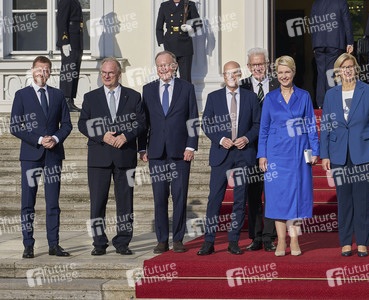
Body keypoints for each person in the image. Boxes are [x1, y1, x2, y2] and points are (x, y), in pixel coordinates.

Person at [320, 53, 369, 257]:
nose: (347, 70)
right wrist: (325, 154)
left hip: (364, 153)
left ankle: (363, 242)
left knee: (362, 200)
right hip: (339, 154)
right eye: (343, 67)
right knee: (344, 201)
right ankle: (346, 242)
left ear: (356, 69)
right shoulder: (331, 95)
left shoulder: (368, 91)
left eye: (350, 66)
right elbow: (325, 126)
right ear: (338, 71)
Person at [78, 57, 146, 256]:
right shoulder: (91, 97)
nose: (106, 76)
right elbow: (83, 124)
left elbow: (141, 123)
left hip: (125, 156)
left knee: (125, 202)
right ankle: (99, 243)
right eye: (103, 73)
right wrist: (102, 136)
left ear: (119, 75)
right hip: (99, 157)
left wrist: (126, 136)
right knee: (97, 202)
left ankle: (123, 241)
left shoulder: (133, 97)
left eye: (110, 73)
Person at [10, 56, 73, 258]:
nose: (42, 73)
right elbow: (14, 126)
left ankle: (53, 244)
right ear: (32, 70)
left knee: (53, 202)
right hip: (30, 155)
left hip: (53, 154)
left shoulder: (58, 95)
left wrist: (55, 138)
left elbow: (67, 125)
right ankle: (28, 244)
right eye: (39, 70)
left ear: (50, 72)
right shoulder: (22, 95)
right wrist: (38, 139)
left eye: (46, 70)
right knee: (28, 202)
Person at [197, 61, 261, 256]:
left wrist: (247, 138)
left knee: (240, 200)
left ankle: (233, 241)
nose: (231, 76)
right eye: (227, 73)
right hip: (221, 155)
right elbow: (207, 124)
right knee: (214, 198)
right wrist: (221, 139)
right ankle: (209, 241)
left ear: (240, 74)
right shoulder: (213, 97)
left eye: (235, 72)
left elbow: (258, 124)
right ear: (223, 76)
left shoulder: (250, 97)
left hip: (243, 155)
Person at [257, 56, 319, 257]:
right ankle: (281, 241)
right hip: (275, 156)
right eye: (280, 72)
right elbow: (264, 128)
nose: (284, 76)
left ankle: (294, 240)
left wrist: (315, 150)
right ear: (277, 74)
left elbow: (311, 125)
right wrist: (262, 155)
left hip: (298, 155)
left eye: (287, 72)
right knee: (277, 199)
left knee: (297, 198)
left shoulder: (304, 96)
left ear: (293, 72)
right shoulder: (270, 98)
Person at [138, 51, 199, 254]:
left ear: (174, 66)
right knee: (159, 197)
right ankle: (162, 239)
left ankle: (178, 238)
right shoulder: (147, 90)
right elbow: (142, 123)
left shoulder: (187, 88)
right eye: (159, 66)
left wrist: (191, 146)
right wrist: (141, 148)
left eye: (166, 65)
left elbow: (192, 119)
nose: (163, 69)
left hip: (180, 153)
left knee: (179, 197)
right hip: (156, 153)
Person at [240, 47, 278, 252]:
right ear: (248, 67)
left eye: (261, 64)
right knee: (253, 194)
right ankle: (255, 236)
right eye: (254, 64)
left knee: (271, 193)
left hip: (274, 147)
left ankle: (269, 236)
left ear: (267, 65)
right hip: (250, 147)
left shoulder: (277, 84)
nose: (258, 68)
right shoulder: (242, 86)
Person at [311, 0, 354, 108]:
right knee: (332, 73)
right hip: (335, 43)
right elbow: (347, 22)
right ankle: (331, 104)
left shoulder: (316, 3)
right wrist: (349, 42)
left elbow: (312, 24)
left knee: (321, 74)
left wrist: (314, 44)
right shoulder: (341, 2)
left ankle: (320, 104)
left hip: (319, 43)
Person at [156, 0, 202, 83]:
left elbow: (198, 24)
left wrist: (190, 28)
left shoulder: (189, 4)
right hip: (169, 45)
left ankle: (187, 96)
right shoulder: (164, 6)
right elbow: (159, 27)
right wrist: (161, 43)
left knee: (186, 78)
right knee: (169, 77)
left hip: (185, 45)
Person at [57, 0, 83, 112]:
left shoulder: (75, 1)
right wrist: (64, 41)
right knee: (68, 71)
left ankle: (70, 100)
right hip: (70, 41)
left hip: (76, 40)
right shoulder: (66, 1)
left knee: (74, 71)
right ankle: (66, 100)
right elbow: (61, 20)